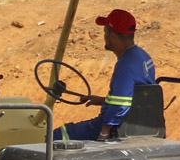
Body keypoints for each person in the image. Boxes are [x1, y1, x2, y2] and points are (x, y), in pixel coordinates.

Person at [52, 8, 154, 141]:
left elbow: (121, 103)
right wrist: (101, 100)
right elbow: (134, 98)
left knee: (57, 136)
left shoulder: (126, 65)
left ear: (112, 36)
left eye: (105, 32)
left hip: (118, 127)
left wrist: (104, 132)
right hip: (139, 123)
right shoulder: (142, 56)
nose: (104, 37)